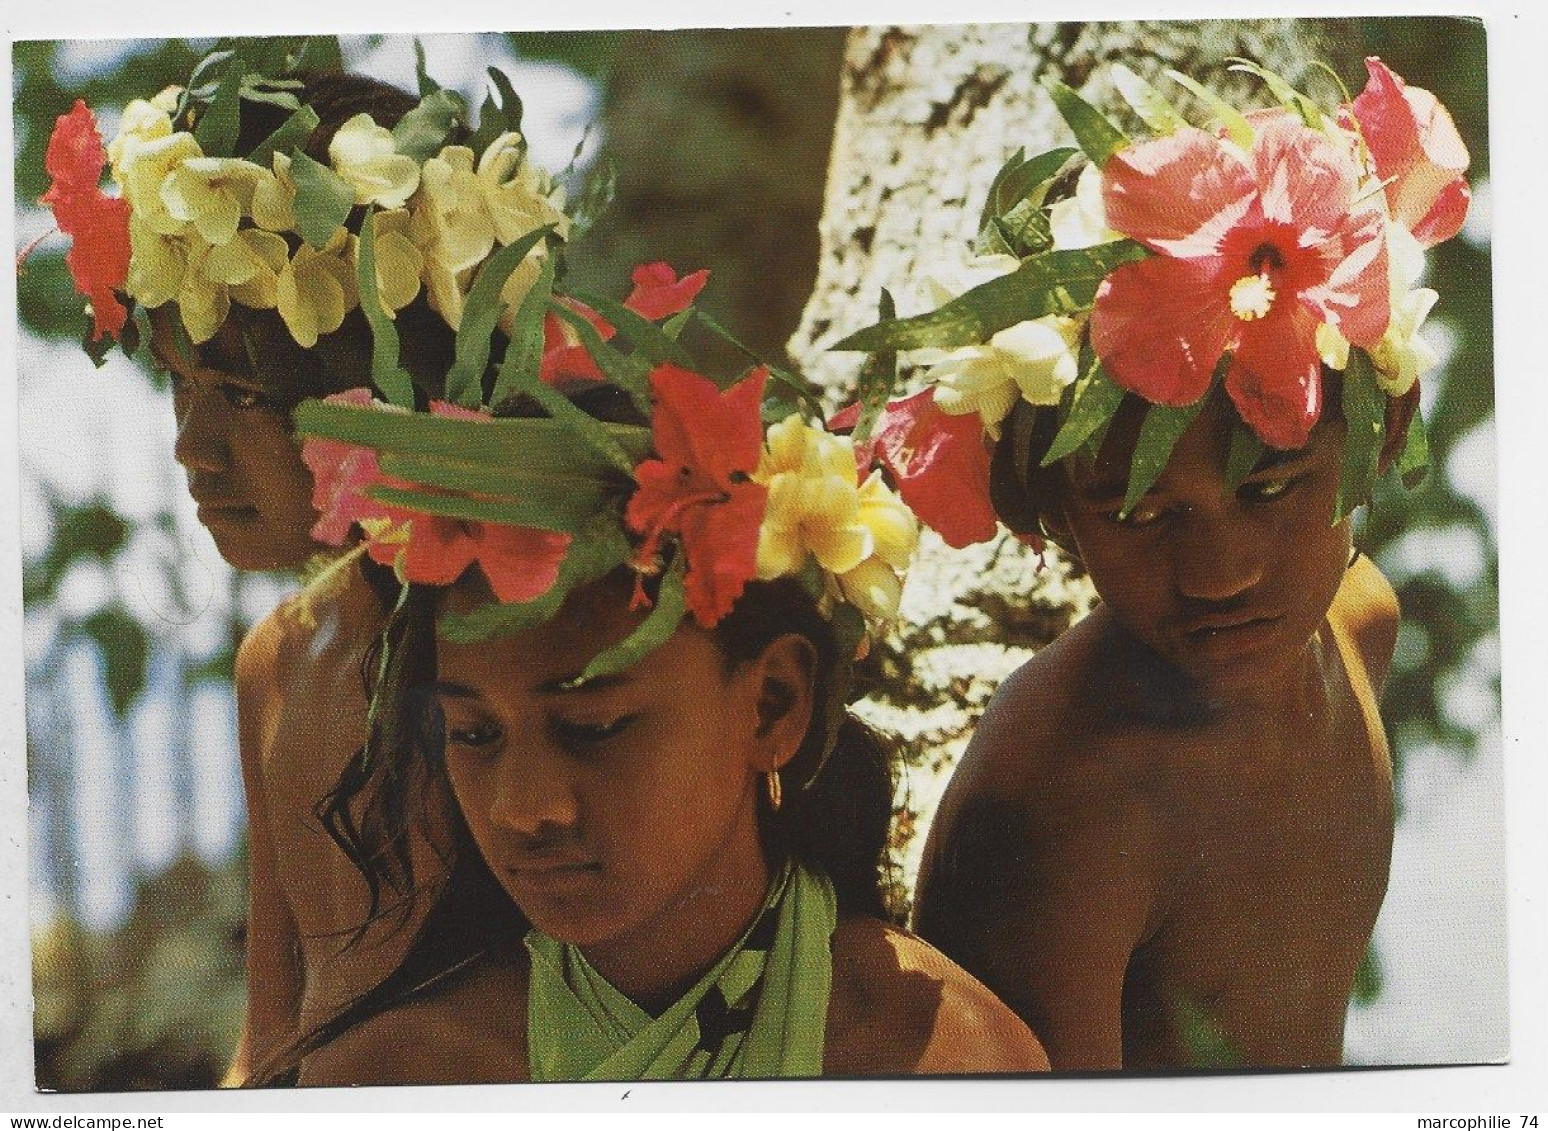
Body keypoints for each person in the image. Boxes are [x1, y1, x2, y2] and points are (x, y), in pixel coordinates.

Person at [834, 57, 1471, 1068]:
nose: (1218, 573)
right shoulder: (1067, 806)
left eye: (1269, 489)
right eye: (1137, 512)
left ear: (1382, 433)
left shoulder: (1362, 621)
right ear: (1051, 515)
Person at [242, 332, 1048, 1080]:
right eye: (475, 733)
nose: (524, 807)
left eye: (592, 727)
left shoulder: (939, 1062)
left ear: (772, 705)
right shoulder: (397, 1077)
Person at [37, 46, 574, 1082]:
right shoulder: (277, 660)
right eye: (179, 389)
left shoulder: (504, 647)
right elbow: (272, 1032)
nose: (193, 448)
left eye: (241, 395)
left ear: (407, 369)